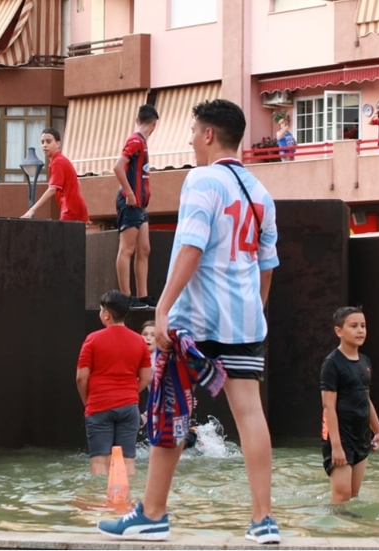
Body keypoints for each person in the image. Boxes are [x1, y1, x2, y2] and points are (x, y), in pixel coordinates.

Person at [98, 99, 281, 543]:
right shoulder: (260, 192)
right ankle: (263, 521)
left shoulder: (201, 180)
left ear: (208, 135)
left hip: (193, 322)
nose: (189, 139)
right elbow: (267, 264)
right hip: (243, 322)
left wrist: (162, 307)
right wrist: (254, 310)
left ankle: (153, 513)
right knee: (250, 414)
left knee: (169, 411)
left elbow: (192, 247)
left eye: (193, 131)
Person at [76, 291, 152, 476]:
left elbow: (81, 378)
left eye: (101, 310)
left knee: (99, 461)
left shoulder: (92, 339)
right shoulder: (139, 342)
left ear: (106, 314)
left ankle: (99, 502)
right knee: (127, 461)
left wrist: (89, 402)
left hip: (99, 405)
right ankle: (128, 502)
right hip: (129, 406)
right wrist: (129, 392)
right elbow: (146, 377)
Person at [321, 306, 379, 504]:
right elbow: (328, 407)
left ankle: (352, 532)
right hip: (340, 437)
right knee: (341, 496)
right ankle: (333, 532)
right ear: (339, 331)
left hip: (361, 436)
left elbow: (365, 397)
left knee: (354, 496)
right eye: (354, 326)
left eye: (363, 326)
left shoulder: (365, 361)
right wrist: (336, 447)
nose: (360, 330)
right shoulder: (332, 364)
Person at [114, 105, 160, 311]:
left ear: (136, 119)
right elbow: (117, 166)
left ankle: (142, 295)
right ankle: (126, 296)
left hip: (141, 204)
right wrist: (129, 193)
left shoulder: (141, 142)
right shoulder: (135, 141)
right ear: (155, 124)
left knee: (144, 249)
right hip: (131, 202)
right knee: (127, 249)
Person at [20, 128, 89, 222]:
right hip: (73, 208)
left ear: (58, 144)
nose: (44, 145)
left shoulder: (58, 162)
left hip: (70, 210)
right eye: (42, 142)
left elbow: (52, 189)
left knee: (60, 236)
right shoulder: (59, 160)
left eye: (48, 141)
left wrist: (32, 210)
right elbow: (77, 182)